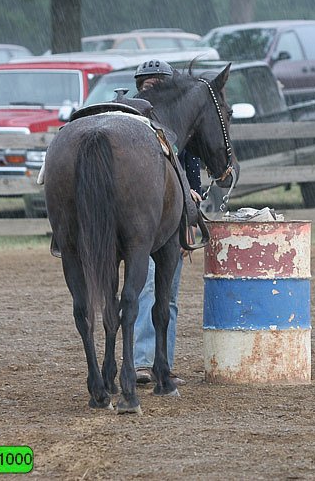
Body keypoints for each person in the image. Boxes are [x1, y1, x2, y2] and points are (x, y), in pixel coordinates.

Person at [132, 59, 202, 386]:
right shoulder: (134, 124)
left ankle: (164, 361)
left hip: (172, 220)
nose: (151, 88)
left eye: (157, 82)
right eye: (146, 83)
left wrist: (192, 204)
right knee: (148, 285)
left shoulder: (178, 129)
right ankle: (143, 360)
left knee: (168, 293)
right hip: (144, 220)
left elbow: (190, 172)